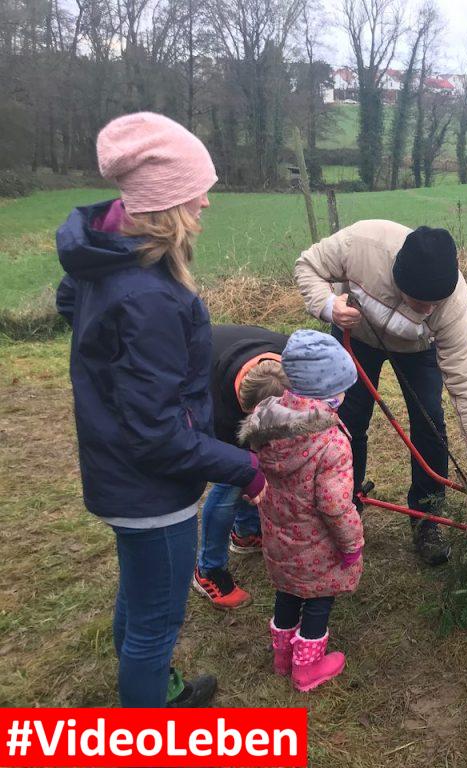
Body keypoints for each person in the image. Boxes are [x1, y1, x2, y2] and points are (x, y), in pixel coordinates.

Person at [55, 112, 266, 708]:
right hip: (150, 490)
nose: (206, 202)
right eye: (197, 191)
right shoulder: (148, 297)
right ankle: (148, 724)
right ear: (166, 202)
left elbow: (72, 304)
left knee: (140, 594)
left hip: (117, 473)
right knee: (156, 624)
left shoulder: (109, 261)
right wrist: (247, 469)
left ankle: (150, 692)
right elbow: (158, 436)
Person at [294, 221, 467, 566]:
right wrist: (328, 306)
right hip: (357, 335)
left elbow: (466, 381)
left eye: (435, 304)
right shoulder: (362, 244)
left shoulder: (453, 302)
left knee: (430, 423)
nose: (429, 309)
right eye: (421, 302)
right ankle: (344, 508)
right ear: (399, 281)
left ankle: (427, 520)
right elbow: (307, 265)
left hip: (417, 350)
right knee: (348, 421)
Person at [239, 330, 363, 692]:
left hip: (279, 534)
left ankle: (282, 655)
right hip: (316, 545)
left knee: (287, 589)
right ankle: (307, 669)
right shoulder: (331, 444)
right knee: (318, 598)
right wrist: (351, 544)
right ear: (330, 394)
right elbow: (336, 505)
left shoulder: (266, 417)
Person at [192, 325, 289, 610]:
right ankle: (208, 570)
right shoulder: (214, 406)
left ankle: (246, 533)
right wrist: (247, 474)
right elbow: (226, 463)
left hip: (231, 371)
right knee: (232, 482)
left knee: (257, 462)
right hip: (209, 383)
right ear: (245, 407)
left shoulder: (291, 359)